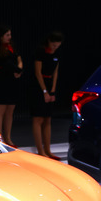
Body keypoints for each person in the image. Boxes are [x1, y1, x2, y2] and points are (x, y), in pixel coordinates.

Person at [30, 31, 64, 159]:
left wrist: (53, 91)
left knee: (48, 119)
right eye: (54, 45)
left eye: (58, 45)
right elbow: (37, 72)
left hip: (50, 85)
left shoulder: (57, 53)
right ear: (49, 41)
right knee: (38, 118)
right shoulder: (40, 51)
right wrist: (44, 91)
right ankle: (40, 151)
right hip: (38, 86)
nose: (55, 47)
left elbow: (56, 72)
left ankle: (48, 150)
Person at [0, 25, 23, 147]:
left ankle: (8, 138)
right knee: (0, 110)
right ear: (1, 36)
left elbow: (19, 59)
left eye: (10, 34)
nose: (10, 37)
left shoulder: (12, 47)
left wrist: (19, 70)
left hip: (13, 81)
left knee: (10, 111)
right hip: (2, 81)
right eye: (7, 35)